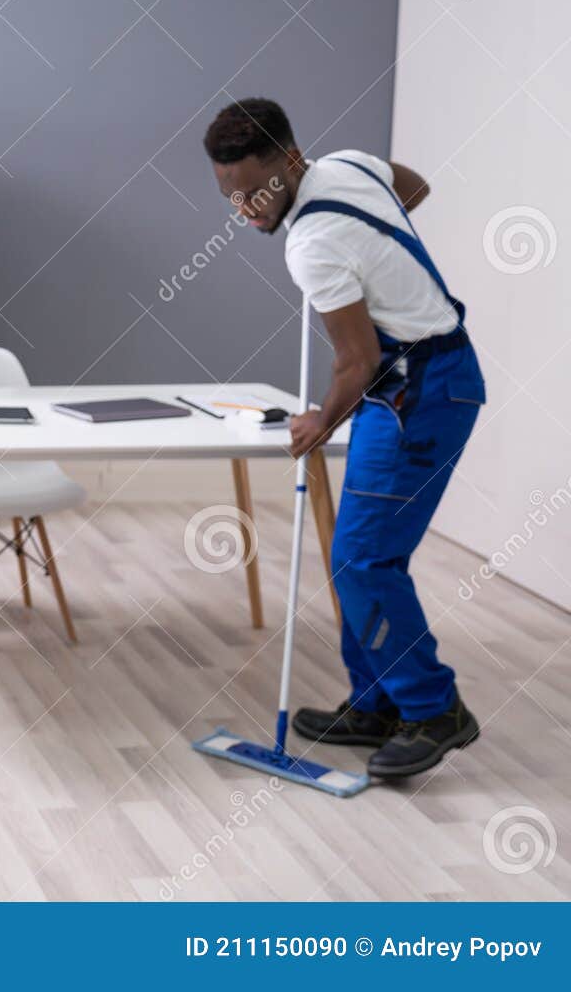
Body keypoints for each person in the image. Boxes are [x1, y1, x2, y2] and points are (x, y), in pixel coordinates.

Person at [202, 97, 484, 779]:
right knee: (357, 553)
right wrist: (380, 256)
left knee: (363, 559)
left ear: (292, 160)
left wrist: (317, 421)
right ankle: (376, 701)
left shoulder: (311, 244)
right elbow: (412, 186)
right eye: (231, 197)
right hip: (404, 383)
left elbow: (354, 362)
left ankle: (434, 708)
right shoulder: (349, 164)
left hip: (425, 390)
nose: (245, 209)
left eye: (256, 191)